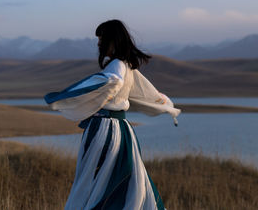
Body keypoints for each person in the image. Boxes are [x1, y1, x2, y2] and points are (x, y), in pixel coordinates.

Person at [44, 19, 181, 210]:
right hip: (118, 130)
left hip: (106, 131)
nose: (99, 43)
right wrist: (167, 105)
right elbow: (146, 92)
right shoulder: (125, 65)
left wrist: (67, 96)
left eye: (102, 39)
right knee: (120, 178)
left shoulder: (117, 66)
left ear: (114, 41)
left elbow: (112, 81)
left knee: (97, 180)